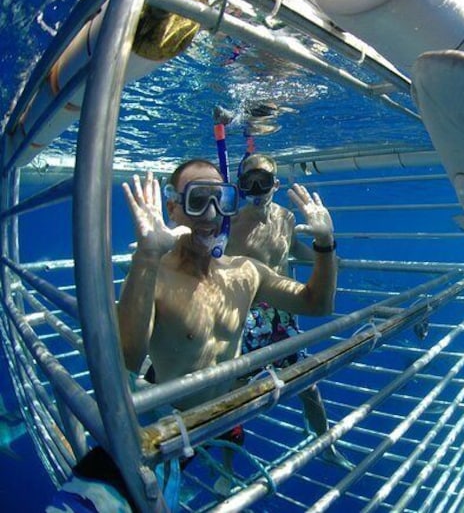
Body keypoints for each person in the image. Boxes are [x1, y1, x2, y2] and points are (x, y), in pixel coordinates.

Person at [117, 160, 338, 491]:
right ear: (172, 208)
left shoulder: (245, 272)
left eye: (221, 199)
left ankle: (229, 471)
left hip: (223, 412)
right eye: (197, 199)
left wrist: (325, 244)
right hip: (169, 427)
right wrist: (146, 256)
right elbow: (126, 361)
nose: (210, 213)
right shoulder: (155, 277)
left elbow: (318, 304)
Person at [227, 153, 353, 471]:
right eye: (249, 182)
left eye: (264, 181)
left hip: (283, 314)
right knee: (233, 397)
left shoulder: (285, 218)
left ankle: (326, 444)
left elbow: (292, 250)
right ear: (240, 187)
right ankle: (228, 467)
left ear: (276, 184)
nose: (257, 189)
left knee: (307, 384)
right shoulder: (230, 223)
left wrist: (325, 257)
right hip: (245, 318)